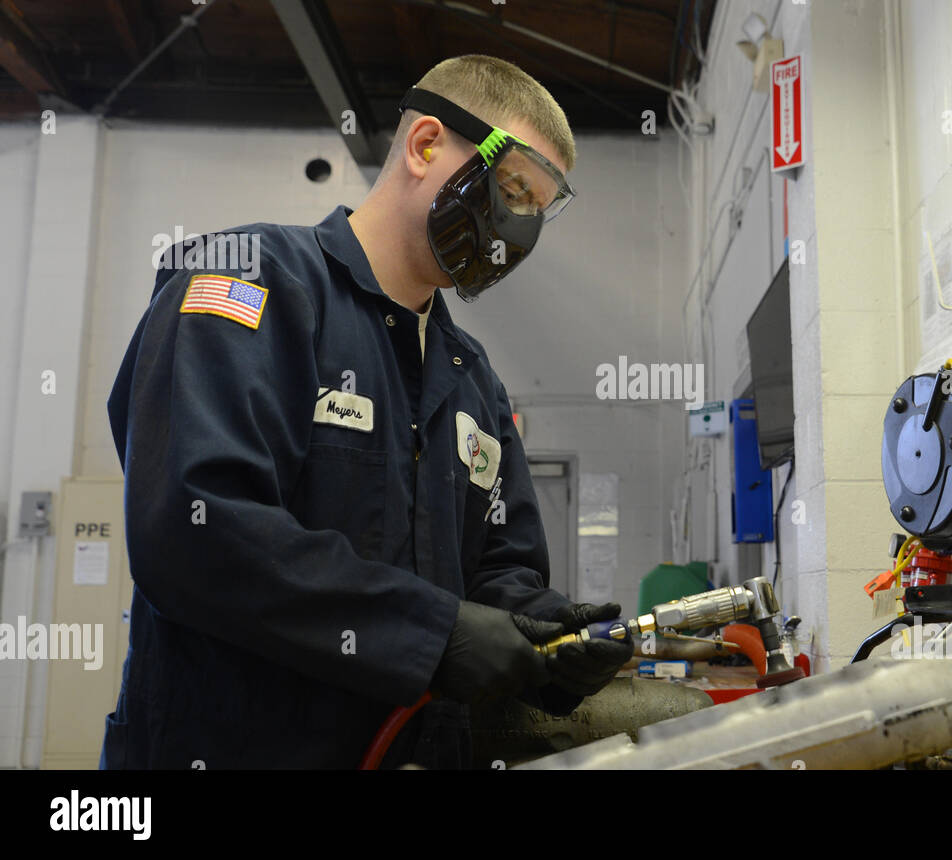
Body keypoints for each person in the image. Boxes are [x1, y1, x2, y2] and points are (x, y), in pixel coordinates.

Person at [101, 55, 632, 769]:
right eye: (511, 188)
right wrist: (433, 634)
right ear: (424, 146)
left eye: (538, 208)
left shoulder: (473, 378)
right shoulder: (246, 284)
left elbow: (496, 568)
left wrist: (540, 634)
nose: (519, 227)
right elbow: (196, 531)